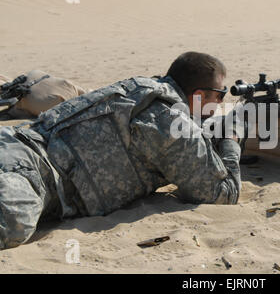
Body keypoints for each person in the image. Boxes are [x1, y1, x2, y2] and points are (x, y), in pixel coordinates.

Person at [0, 51, 242, 250]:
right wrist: (231, 139)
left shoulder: (142, 88)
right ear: (198, 95)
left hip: (13, 142)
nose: (221, 102)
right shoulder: (170, 120)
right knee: (13, 224)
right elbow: (223, 193)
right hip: (29, 176)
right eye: (220, 95)